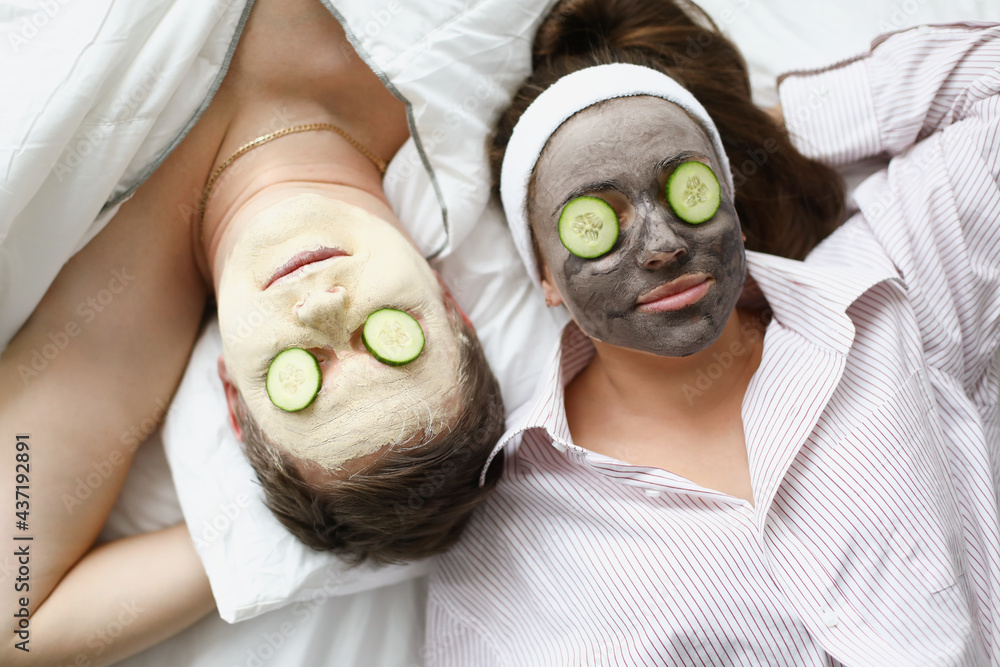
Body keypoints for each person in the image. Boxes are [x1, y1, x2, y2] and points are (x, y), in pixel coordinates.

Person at [427, 0, 1000, 664]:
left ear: (731, 200)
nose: (664, 245)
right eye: (598, 222)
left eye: (686, 189)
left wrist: (767, 132)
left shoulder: (884, 290)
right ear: (546, 276)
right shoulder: (504, 547)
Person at [0, 0, 519, 662]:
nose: (321, 310)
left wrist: (243, 545)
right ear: (452, 306)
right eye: (390, 336)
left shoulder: (111, 326)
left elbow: (14, 618)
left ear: (234, 401)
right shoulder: (470, 65)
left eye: (297, 373)